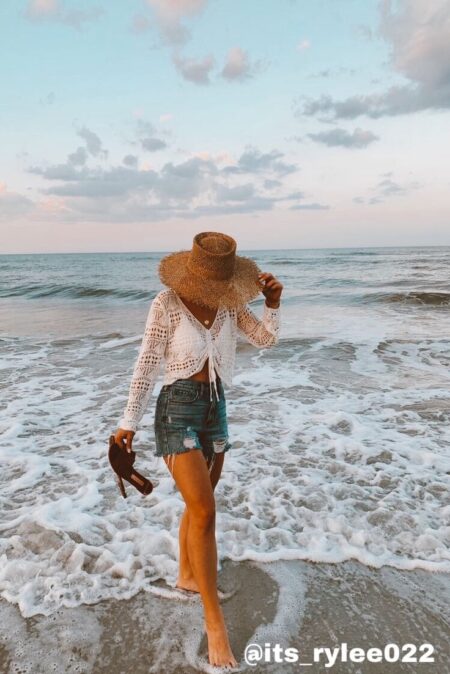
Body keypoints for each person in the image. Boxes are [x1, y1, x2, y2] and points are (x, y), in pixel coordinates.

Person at [115, 231, 283, 669]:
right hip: (177, 411)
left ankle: (188, 577)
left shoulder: (230, 303)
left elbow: (265, 341)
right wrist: (128, 422)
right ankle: (215, 623)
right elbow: (147, 362)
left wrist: (274, 303)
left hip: (216, 410)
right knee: (206, 510)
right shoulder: (166, 304)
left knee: (198, 504)